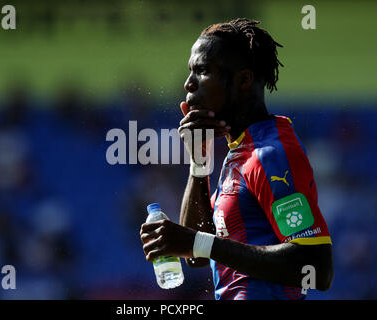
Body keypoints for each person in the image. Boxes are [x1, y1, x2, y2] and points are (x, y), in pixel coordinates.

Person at [140, 18, 333, 300]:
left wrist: (197, 242)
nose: (188, 83)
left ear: (243, 79)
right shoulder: (239, 154)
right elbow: (196, 257)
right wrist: (198, 163)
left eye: (202, 71)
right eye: (190, 72)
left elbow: (316, 267)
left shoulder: (271, 155)